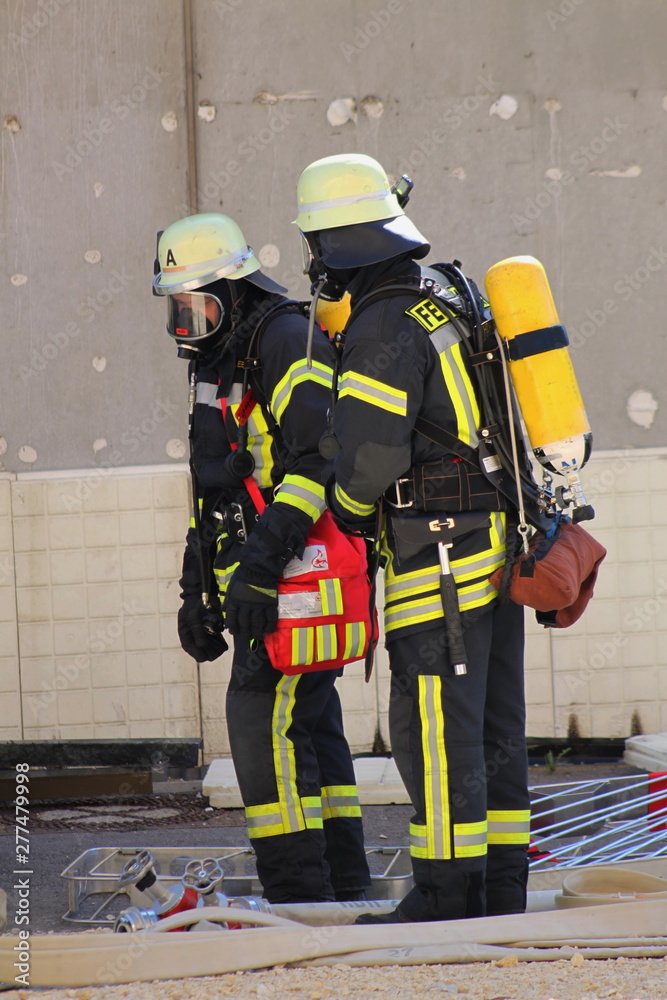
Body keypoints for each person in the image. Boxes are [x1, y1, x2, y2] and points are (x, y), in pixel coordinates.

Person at [294, 153, 531, 922]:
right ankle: (500, 892)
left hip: (435, 552)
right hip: (492, 541)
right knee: (491, 725)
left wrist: (350, 510)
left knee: (432, 725)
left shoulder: (382, 322)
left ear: (333, 245)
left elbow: (368, 457)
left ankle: (444, 896)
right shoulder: (442, 298)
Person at [153, 212, 371, 904]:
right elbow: (212, 485)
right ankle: (342, 885)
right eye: (177, 311)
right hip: (256, 579)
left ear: (236, 288)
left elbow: (317, 464)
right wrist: (195, 590)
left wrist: (258, 567)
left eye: (198, 307)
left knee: (258, 716)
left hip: (290, 578)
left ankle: (297, 894)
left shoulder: (281, 340)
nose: (188, 326)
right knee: (310, 721)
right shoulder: (220, 362)